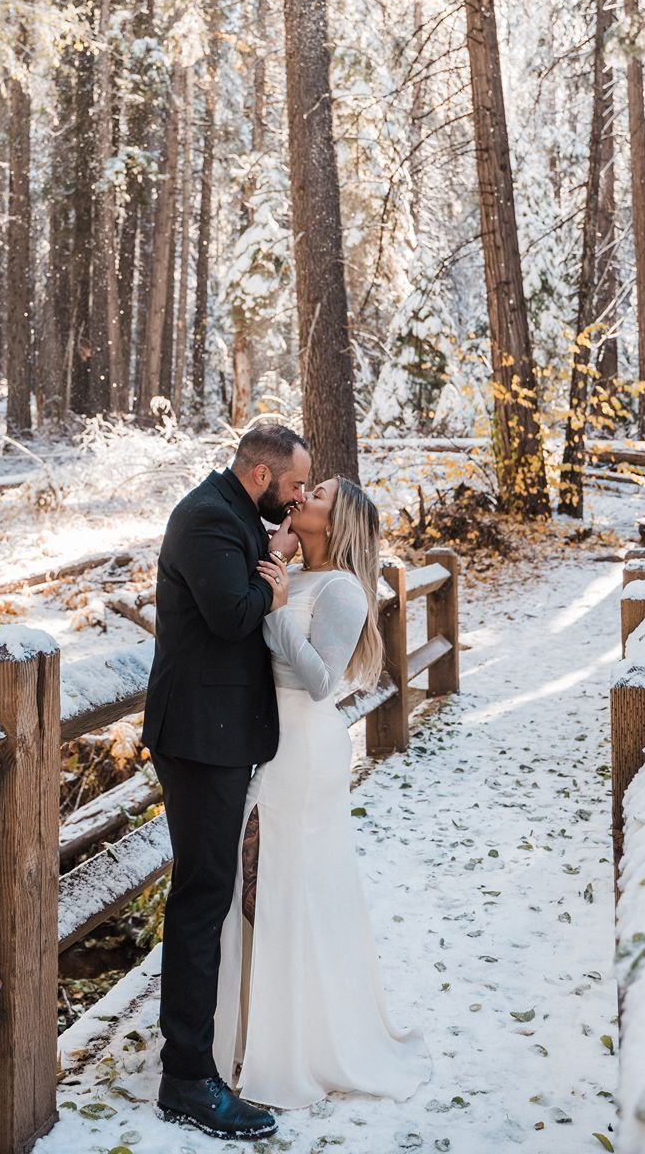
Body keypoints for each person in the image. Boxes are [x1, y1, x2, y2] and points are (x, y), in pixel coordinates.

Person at [213, 475, 432, 1110]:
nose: (305, 495)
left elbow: (318, 680)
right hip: (272, 743)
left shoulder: (342, 591)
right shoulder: (293, 572)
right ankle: (259, 1033)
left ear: (336, 524)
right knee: (261, 882)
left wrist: (278, 613)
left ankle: (298, 1047)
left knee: (280, 881)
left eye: (321, 495)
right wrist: (275, 577)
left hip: (304, 746)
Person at [143, 423, 310, 1141]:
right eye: (295, 485)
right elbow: (232, 615)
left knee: (208, 889)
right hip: (198, 738)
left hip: (219, 733)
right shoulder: (210, 517)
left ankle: (192, 1059)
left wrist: (268, 557)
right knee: (203, 893)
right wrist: (270, 584)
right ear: (259, 474)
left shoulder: (236, 515)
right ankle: (186, 1076)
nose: (299, 498)